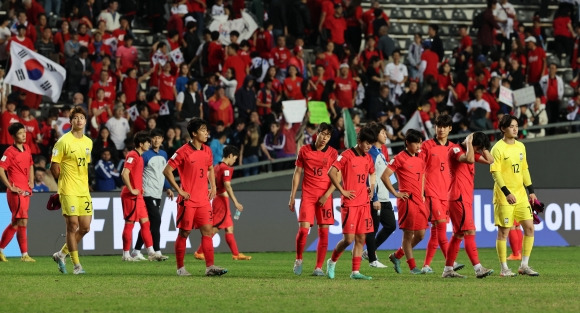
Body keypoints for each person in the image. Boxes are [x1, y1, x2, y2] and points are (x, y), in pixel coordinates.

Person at [163, 118, 228, 277]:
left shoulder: (207, 150)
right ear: (194, 133)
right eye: (203, 130)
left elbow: (210, 168)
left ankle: (210, 267)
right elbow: (167, 170)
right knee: (184, 233)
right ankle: (180, 268)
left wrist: (212, 186)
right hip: (188, 201)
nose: (207, 133)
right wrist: (179, 190)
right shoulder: (183, 151)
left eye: (207, 130)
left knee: (207, 232)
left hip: (203, 200)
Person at [490, 115, 539, 277]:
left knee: (530, 228)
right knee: (503, 232)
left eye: (516, 126)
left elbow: (524, 169)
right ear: (503, 129)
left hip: (521, 195)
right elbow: (496, 174)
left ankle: (524, 265)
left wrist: (531, 191)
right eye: (512, 126)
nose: (515, 129)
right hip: (504, 196)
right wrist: (507, 193)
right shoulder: (497, 148)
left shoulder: (521, 147)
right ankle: (504, 268)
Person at [326, 126, 377, 280]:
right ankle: (332, 261)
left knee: (361, 239)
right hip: (350, 204)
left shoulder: (368, 157)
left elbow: (373, 173)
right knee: (349, 239)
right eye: (367, 143)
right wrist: (342, 190)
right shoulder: (346, 155)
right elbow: (331, 172)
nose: (369, 147)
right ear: (359, 141)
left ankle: (355, 272)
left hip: (364, 204)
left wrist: (371, 188)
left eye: (371, 144)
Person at [288, 123, 338, 276]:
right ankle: (299, 259)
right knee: (303, 231)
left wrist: (327, 194)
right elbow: (297, 173)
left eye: (328, 136)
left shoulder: (333, 153)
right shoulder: (304, 150)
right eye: (323, 134)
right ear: (318, 133)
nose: (325, 138)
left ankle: (318, 267)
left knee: (324, 233)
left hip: (325, 197)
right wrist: (292, 196)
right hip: (308, 195)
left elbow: (336, 178)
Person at [443, 132, 495, 278]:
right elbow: (470, 159)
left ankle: (447, 270)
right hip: (458, 197)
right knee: (469, 232)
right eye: (477, 148)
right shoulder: (455, 150)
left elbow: (490, 160)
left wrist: (483, 147)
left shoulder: (470, 151)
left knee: (458, 234)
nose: (478, 151)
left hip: (464, 198)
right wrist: (470, 143)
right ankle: (479, 269)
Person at [51, 106, 93, 275]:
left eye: (81, 117)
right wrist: (62, 184)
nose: (79, 120)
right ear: (70, 121)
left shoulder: (88, 142)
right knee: (72, 226)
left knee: (85, 227)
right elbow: (54, 166)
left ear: (85, 120)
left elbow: (84, 166)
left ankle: (61, 254)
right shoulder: (63, 141)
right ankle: (77, 266)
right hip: (68, 189)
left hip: (83, 190)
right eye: (75, 117)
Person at [419, 115, 464, 274]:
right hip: (432, 193)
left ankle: (425, 265)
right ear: (435, 127)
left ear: (450, 128)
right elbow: (420, 170)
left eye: (445, 126)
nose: (441, 129)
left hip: (448, 195)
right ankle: (450, 263)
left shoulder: (454, 148)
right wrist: (422, 191)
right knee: (442, 228)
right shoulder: (426, 146)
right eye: (439, 126)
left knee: (436, 231)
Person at [194, 145, 252, 261]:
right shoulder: (226, 169)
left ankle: (236, 254)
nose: (234, 161)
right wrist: (235, 202)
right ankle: (199, 252)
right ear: (230, 156)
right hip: (221, 202)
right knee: (214, 228)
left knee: (229, 228)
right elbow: (227, 186)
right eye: (234, 158)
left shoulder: (216, 166)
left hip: (219, 199)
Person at [381, 129, 427, 275]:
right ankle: (413, 267)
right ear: (407, 143)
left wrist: (422, 193)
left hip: (419, 201)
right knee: (408, 236)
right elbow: (385, 176)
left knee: (420, 235)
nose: (419, 146)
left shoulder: (420, 157)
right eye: (416, 143)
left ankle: (397, 256)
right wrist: (396, 193)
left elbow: (423, 175)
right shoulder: (400, 157)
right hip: (407, 201)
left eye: (420, 142)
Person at [119, 131, 165, 262]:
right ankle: (126, 255)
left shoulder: (140, 156)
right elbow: (124, 173)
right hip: (130, 196)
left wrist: (139, 188)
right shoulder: (132, 155)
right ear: (140, 144)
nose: (149, 144)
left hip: (138, 196)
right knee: (130, 224)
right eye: (147, 142)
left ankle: (151, 252)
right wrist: (131, 189)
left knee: (146, 223)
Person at [131, 129, 173, 260]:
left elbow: (164, 172)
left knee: (147, 223)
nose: (156, 140)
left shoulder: (164, 154)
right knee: (156, 220)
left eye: (159, 138)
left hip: (157, 193)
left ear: (162, 140)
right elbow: (137, 172)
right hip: (147, 193)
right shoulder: (144, 155)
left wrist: (168, 187)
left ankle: (136, 250)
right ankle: (157, 251)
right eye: (154, 138)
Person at [363, 122, 396, 268]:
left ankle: (369, 251)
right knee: (373, 228)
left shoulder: (380, 153)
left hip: (385, 197)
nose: (385, 135)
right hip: (376, 199)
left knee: (390, 225)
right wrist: (374, 197)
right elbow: (369, 177)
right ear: (376, 135)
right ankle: (372, 259)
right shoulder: (371, 154)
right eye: (383, 132)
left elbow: (384, 175)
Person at [0, 123, 35, 262]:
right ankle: (24, 255)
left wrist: (31, 181)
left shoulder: (27, 148)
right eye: (20, 133)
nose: (24, 135)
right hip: (17, 192)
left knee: (17, 222)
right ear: (14, 136)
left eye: (24, 132)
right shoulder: (9, 152)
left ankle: (5, 250)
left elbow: (31, 164)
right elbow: (1, 169)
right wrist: (10, 186)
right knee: (21, 221)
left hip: (26, 191)